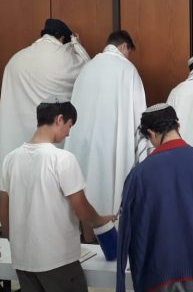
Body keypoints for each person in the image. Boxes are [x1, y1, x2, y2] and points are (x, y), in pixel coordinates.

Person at [0, 98, 114, 292]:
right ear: (59, 119)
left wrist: (16, 242)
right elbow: (81, 208)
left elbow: (3, 209)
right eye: (69, 126)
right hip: (57, 260)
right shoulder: (62, 159)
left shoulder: (11, 158)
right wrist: (100, 220)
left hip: (23, 260)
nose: (68, 133)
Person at [117, 104, 193, 292]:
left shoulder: (138, 174)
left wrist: (121, 282)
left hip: (156, 273)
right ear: (178, 126)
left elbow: (126, 230)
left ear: (151, 133)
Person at [0, 18, 90, 223]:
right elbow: (87, 72)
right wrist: (77, 46)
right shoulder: (67, 59)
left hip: (20, 139)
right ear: (62, 38)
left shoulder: (16, 59)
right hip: (54, 141)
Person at [64, 30, 146, 241]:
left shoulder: (87, 69)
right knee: (111, 186)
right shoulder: (127, 70)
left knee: (86, 184)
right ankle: (112, 241)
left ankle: (88, 238)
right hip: (113, 145)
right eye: (129, 52)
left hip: (85, 142)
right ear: (124, 46)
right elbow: (140, 116)